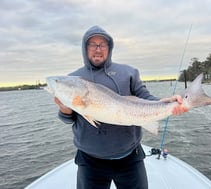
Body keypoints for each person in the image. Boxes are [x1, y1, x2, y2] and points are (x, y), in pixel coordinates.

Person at [54, 25, 188, 189]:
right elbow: (69, 119)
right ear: (84, 47)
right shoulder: (73, 79)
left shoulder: (129, 72)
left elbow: (144, 97)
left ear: (109, 48)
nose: (98, 49)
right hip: (90, 161)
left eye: (102, 44)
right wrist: (64, 109)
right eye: (92, 44)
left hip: (130, 158)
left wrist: (166, 102)